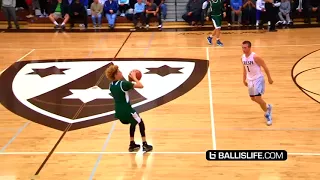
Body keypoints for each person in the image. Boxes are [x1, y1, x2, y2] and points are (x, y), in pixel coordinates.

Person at [105, 65, 153, 152]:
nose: (121, 72)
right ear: (115, 75)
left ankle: (132, 144)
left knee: (133, 122)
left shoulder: (111, 85)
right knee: (140, 122)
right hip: (127, 110)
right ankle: (145, 144)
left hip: (118, 112)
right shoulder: (123, 83)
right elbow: (140, 85)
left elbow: (123, 88)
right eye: (119, 72)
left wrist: (129, 81)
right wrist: (134, 77)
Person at [241, 41, 273, 126]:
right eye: (242, 47)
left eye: (245, 48)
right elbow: (244, 69)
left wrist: (269, 78)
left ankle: (268, 114)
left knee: (258, 98)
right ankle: (268, 107)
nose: (243, 49)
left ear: (249, 47)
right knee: (253, 98)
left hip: (258, 79)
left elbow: (265, 66)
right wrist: (244, 79)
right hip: (250, 80)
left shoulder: (255, 57)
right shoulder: (243, 57)